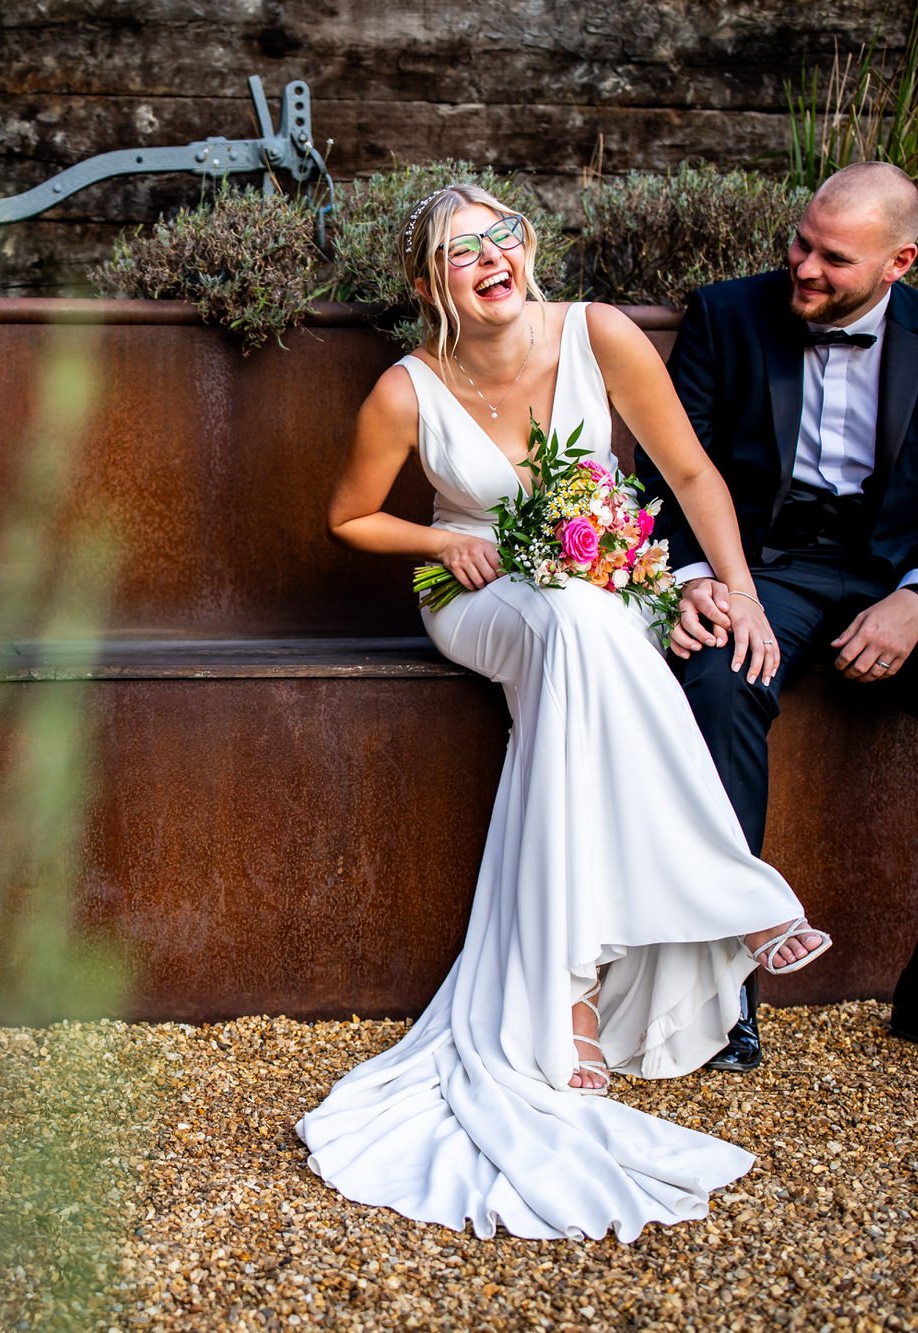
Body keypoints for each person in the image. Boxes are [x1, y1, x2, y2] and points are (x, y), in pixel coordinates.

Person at [295, 183, 831, 1242]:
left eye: (502, 235)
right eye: (460, 250)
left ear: (527, 245)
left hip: (596, 592)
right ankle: (734, 886)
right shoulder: (406, 389)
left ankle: (567, 991)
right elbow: (349, 517)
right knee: (570, 624)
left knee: (583, 631)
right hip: (481, 603)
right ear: (425, 284)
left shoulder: (598, 333)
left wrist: (728, 589)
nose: (491, 257)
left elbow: (685, 470)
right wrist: (440, 539)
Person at [642, 161, 918, 1078]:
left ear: (898, 261)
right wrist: (693, 578)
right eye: (801, 242)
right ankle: (727, 986)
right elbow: (673, 473)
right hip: (762, 569)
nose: (804, 268)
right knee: (717, 685)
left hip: (898, 574)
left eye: (834, 258)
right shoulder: (726, 313)